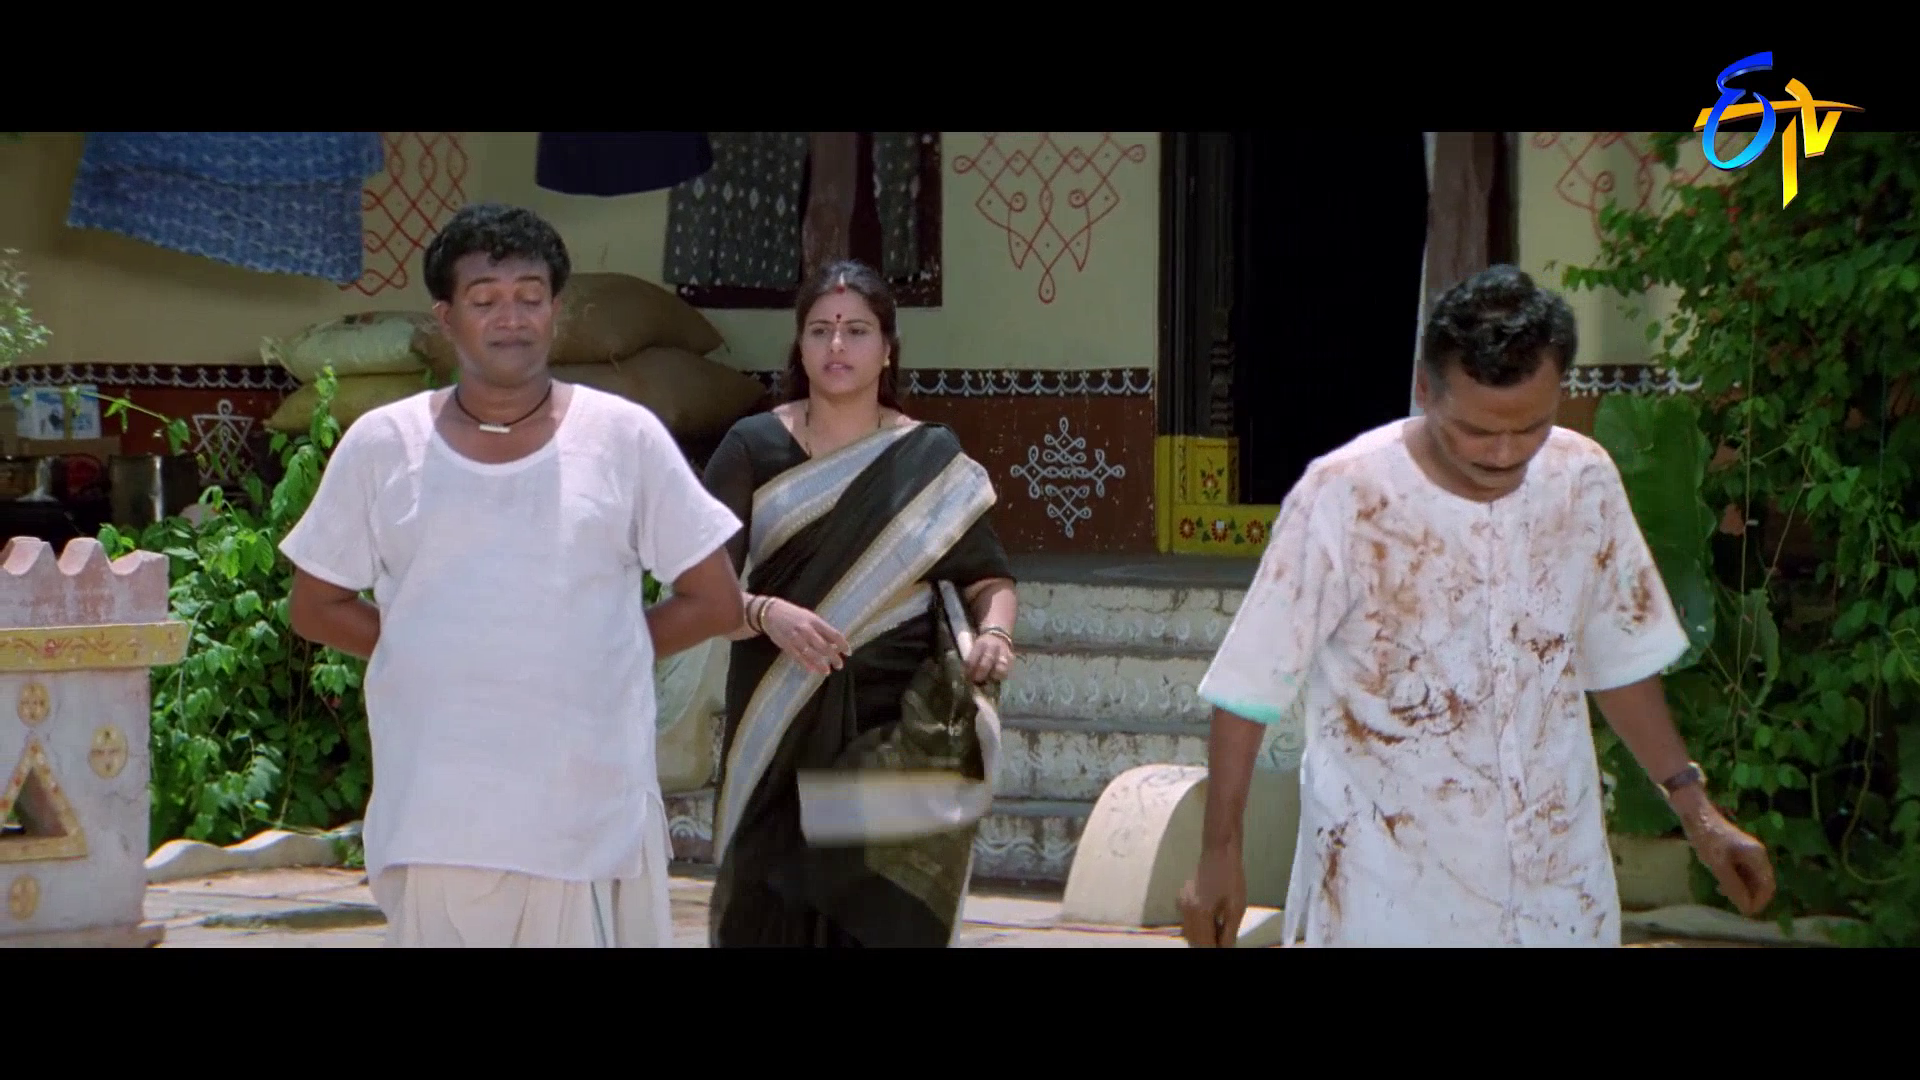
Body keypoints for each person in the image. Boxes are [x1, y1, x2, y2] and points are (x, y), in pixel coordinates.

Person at [1178, 264, 1776, 948]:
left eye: (1532, 428)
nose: (1504, 453)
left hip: (1558, 895)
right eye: (1476, 430)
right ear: (1423, 389)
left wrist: (1696, 810)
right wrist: (1219, 851)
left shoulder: (1583, 480)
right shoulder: (1343, 496)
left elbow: (1617, 662)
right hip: (1383, 895)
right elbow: (1249, 686)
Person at [279, 203, 745, 948]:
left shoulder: (622, 437)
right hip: (439, 803)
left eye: (531, 297)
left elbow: (714, 600)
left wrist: (597, 651)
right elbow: (316, 604)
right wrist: (435, 652)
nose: (511, 319)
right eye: (485, 299)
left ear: (557, 313)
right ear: (446, 319)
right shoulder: (383, 444)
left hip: (582, 802)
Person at [700, 258, 1019, 948]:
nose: (837, 345)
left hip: (890, 732)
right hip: (778, 714)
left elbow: (989, 580)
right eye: (820, 330)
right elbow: (703, 592)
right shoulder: (752, 446)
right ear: (799, 346)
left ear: (888, 348)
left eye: (856, 330)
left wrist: (995, 636)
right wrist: (765, 613)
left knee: (879, 913)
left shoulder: (929, 458)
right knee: (768, 905)